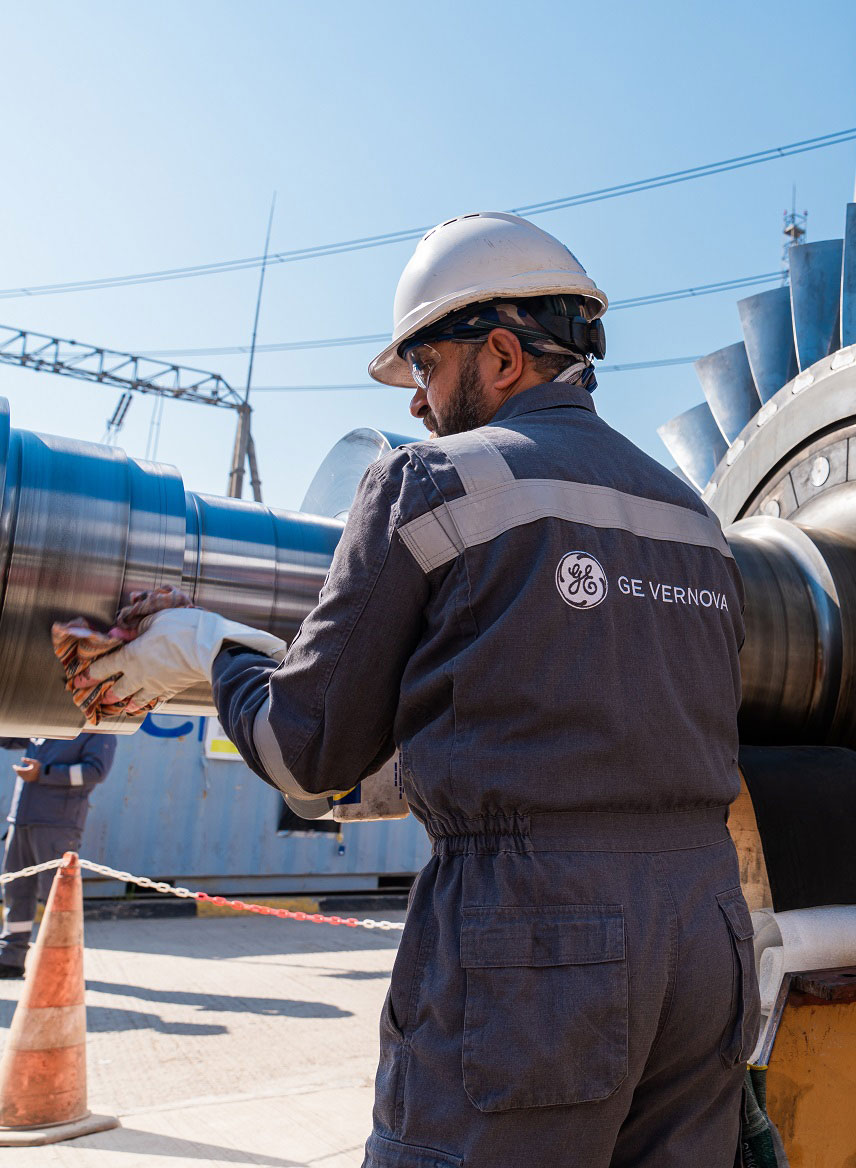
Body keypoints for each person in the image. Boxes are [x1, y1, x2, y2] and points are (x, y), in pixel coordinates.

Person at [83, 212, 752, 1167]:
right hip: (709, 941)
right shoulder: (695, 521)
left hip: (537, 943)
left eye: (427, 368)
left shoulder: (431, 483)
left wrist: (210, 646)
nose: (418, 405)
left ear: (504, 355)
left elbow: (306, 756)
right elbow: (584, 717)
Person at [0, 733, 116, 977]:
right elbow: (8, 737)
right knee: (16, 891)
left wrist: (44, 773)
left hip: (57, 825)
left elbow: (96, 772)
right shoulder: (46, 723)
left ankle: (61, 968)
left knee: (57, 898)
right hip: (21, 820)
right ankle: (10, 958)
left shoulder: (97, 730)